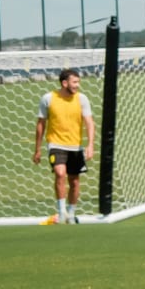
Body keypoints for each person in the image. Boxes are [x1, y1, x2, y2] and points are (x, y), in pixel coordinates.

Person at [33, 68, 96, 224]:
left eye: (78, 82)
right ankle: (61, 212)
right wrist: (37, 149)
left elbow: (89, 122)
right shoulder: (48, 98)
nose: (77, 85)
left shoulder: (82, 99)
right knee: (60, 173)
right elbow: (41, 124)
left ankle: (71, 213)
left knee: (74, 181)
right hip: (56, 144)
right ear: (64, 83)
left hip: (75, 146)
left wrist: (90, 145)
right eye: (74, 82)